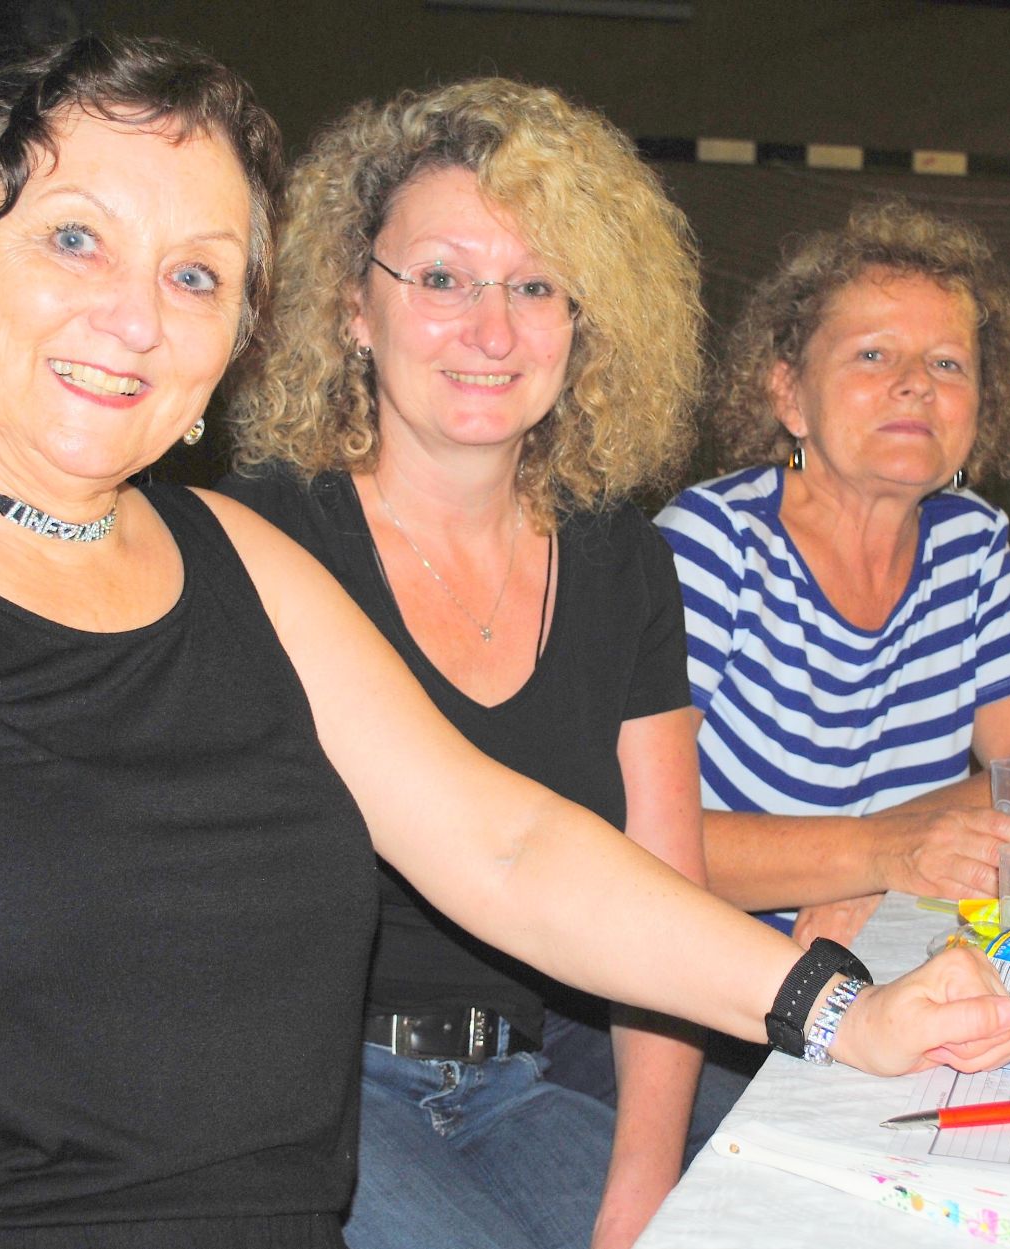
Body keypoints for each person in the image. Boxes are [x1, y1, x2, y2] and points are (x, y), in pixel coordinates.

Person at [0, 35, 1010, 1249]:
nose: (136, 317)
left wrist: (843, 1010)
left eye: (194, 273)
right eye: (74, 239)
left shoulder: (230, 559)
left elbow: (512, 847)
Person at [219, 79, 710, 1249]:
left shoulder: (622, 557)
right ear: (353, 308)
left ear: (585, 322)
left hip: (516, 1086)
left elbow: (662, 907)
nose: (493, 332)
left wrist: (645, 1188)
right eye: (441, 278)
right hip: (307, 1096)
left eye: (536, 286)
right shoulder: (263, 537)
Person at [655, 201, 1010, 949]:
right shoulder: (715, 544)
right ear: (789, 395)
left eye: (948, 363)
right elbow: (636, 832)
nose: (916, 384)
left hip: (890, 963)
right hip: (710, 977)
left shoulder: (970, 543)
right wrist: (880, 856)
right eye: (873, 355)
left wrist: (882, 869)